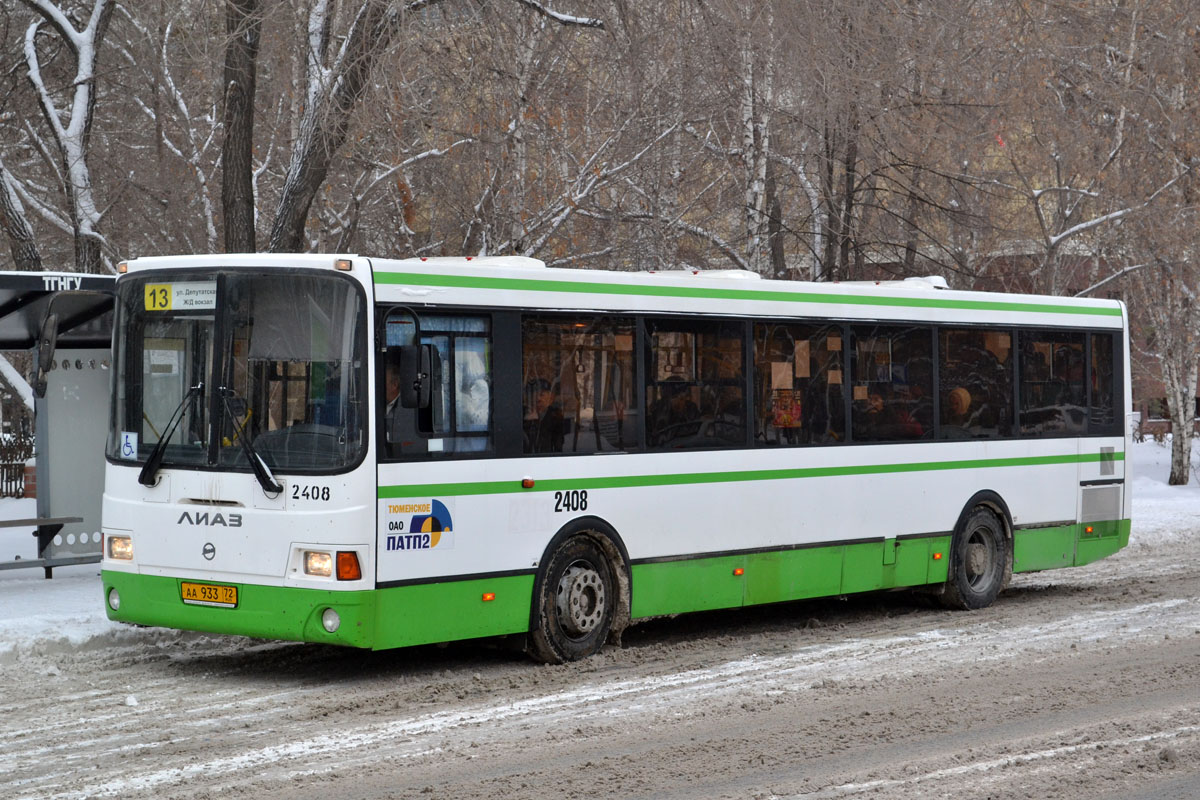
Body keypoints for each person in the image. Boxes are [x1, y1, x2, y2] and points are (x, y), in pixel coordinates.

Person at [524, 378, 565, 453]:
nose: (538, 399)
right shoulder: (523, 418)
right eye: (534, 395)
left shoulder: (555, 419)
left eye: (542, 394)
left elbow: (557, 448)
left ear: (551, 398)